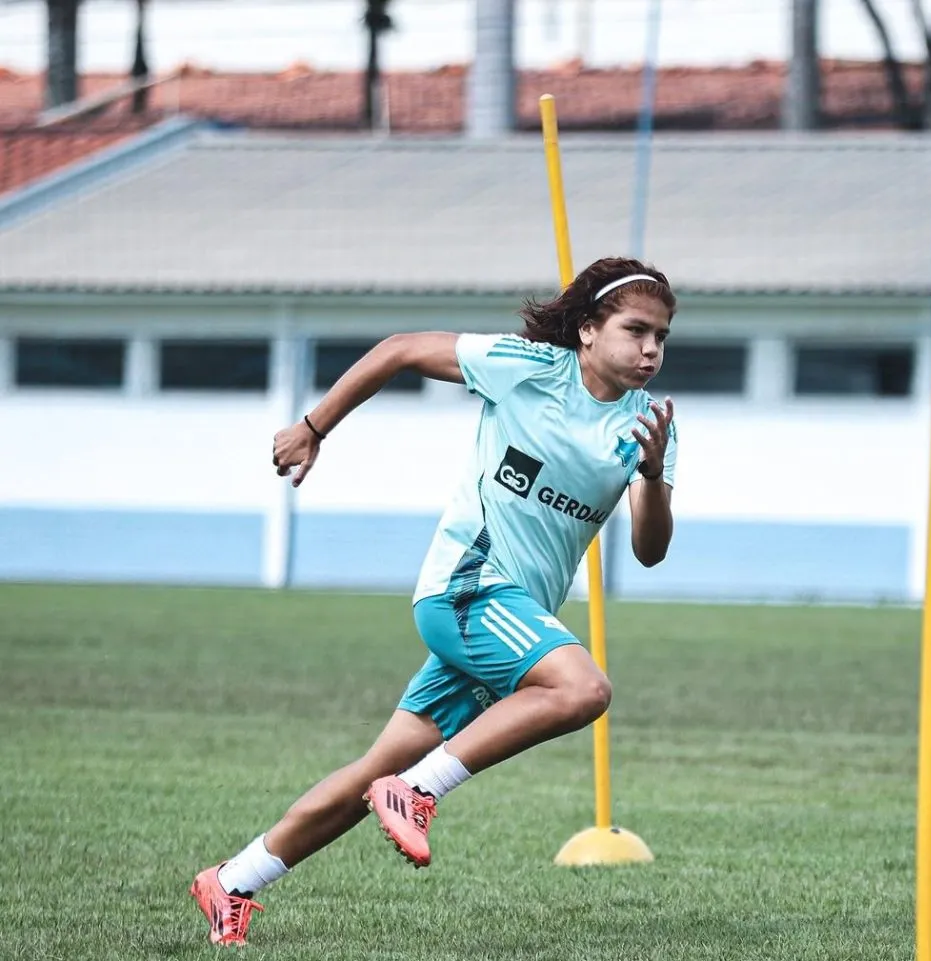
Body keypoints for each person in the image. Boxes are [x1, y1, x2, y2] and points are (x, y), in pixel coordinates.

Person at [189, 256, 679, 946]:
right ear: (590, 330)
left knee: (374, 769)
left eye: (662, 336)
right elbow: (398, 350)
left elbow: (651, 548)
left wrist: (653, 475)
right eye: (637, 330)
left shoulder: (648, 424)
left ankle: (232, 880)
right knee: (584, 688)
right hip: (467, 586)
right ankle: (420, 791)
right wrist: (313, 426)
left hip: (510, 621)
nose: (652, 348)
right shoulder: (529, 368)